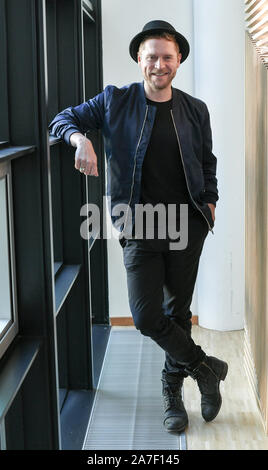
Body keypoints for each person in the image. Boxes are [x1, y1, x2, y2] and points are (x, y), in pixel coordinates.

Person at [49, 20, 228, 434]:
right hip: (140, 226)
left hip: (187, 225)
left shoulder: (194, 109)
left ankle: (172, 394)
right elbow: (63, 119)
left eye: (167, 57)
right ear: (139, 59)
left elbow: (207, 162)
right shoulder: (114, 101)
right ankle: (205, 368)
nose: (159, 64)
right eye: (152, 57)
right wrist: (81, 140)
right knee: (147, 316)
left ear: (178, 60)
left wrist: (211, 202)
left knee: (177, 313)